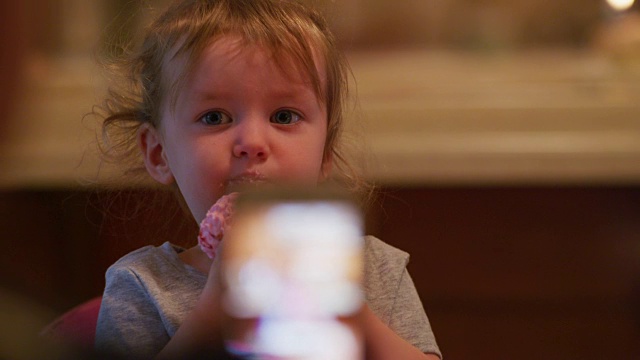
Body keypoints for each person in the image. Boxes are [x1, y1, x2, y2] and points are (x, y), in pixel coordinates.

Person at [94, 0, 441, 359]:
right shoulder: (142, 288)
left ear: (325, 154)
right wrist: (213, 316)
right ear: (158, 153)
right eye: (215, 118)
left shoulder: (376, 271)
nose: (253, 144)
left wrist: (350, 312)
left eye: (284, 116)